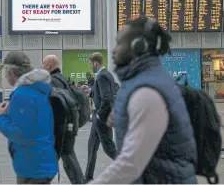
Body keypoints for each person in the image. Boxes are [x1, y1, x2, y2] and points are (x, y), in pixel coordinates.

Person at [89, 16, 197, 184]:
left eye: (120, 44)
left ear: (138, 47)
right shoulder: (142, 81)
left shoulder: (147, 93)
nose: (113, 50)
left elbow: (130, 164)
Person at [0, 51, 58, 184]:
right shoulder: (39, 90)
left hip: (32, 167)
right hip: (42, 161)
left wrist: (0, 118)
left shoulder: (23, 95)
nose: (5, 76)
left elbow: (19, 134)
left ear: (11, 72)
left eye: (6, 72)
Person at [42, 55, 84, 184]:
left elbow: (55, 107)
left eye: (43, 64)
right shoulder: (65, 79)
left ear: (49, 66)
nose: (41, 67)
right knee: (68, 157)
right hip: (70, 125)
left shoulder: (52, 81)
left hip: (60, 129)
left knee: (58, 159)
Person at [83, 52, 117, 183]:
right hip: (100, 117)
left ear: (95, 63)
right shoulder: (106, 74)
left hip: (101, 118)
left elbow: (107, 98)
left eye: (90, 64)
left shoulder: (102, 76)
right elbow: (104, 93)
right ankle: (88, 177)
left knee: (109, 148)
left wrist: (98, 115)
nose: (90, 66)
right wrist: (90, 91)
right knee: (92, 145)